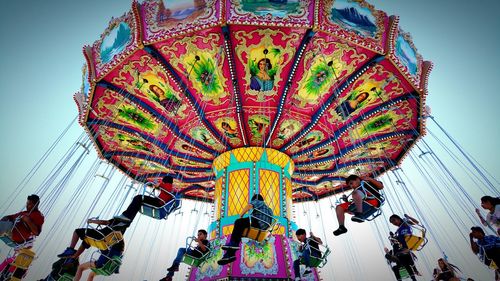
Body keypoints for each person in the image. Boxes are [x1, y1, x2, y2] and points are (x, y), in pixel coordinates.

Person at [217, 194, 273, 265]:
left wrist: (241, 216)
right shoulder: (269, 209)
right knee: (239, 232)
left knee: (238, 222)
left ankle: (232, 245)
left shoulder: (257, 201)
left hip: (258, 222)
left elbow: (249, 206)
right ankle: (229, 255)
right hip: (264, 229)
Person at [57, 218, 129, 260]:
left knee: (77, 231)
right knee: (87, 240)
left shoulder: (117, 220)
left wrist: (91, 221)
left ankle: (71, 249)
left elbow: (103, 222)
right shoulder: (121, 230)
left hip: (101, 236)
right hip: (105, 243)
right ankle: (74, 257)